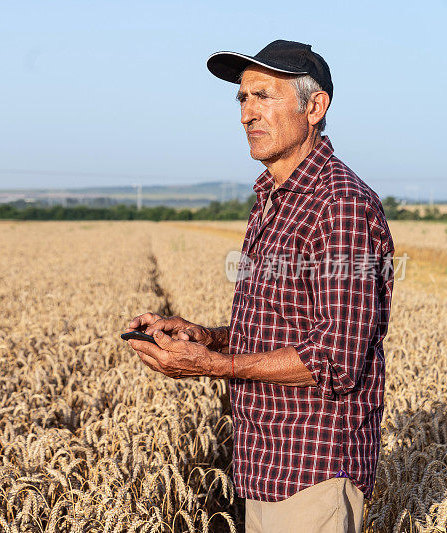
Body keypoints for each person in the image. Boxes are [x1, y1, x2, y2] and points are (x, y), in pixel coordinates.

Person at [125, 40, 394, 533]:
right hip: (263, 466)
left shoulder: (342, 205)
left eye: (264, 96)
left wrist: (213, 367)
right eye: (242, 99)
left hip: (315, 469)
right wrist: (205, 337)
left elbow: (335, 357)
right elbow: (286, 326)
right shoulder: (272, 201)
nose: (248, 112)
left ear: (314, 107)